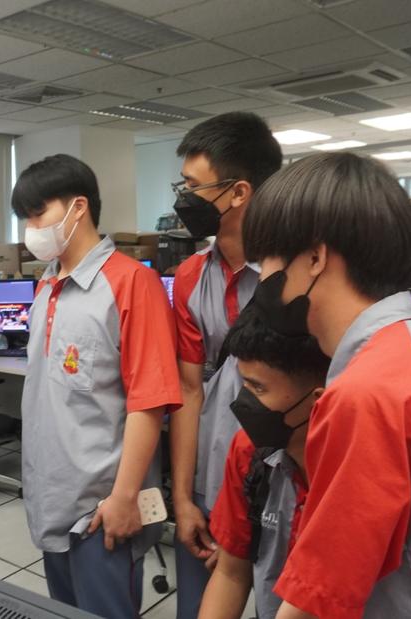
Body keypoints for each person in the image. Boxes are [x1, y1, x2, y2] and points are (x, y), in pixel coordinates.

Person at [242, 152, 411, 619]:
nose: (262, 278)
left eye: (267, 260)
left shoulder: (367, 392)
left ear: (315, 258)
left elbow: (321, 596)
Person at [11, 153, 181, 619]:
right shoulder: (46, 285)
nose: (31, 228)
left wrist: (124, 498)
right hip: (51, 494)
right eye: (26, 218)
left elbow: (149, 403)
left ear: (78, 207)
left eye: (38, 213)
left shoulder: (132, 283)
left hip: (101, 505)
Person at [169, 112, 283, 619]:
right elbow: (189, 390)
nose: (184, 198)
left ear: (238, 193)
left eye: (194, 187)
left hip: (282, 482)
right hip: (210, 477)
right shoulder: (191, 276)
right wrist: (183, 498)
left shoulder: (296, 271)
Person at [197, 307, 329, 619]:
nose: (244, 402)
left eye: (259, 388)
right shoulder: (249, 453)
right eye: (244, 384)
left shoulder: (353, 473)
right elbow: (230, 574)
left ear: (318, 400)